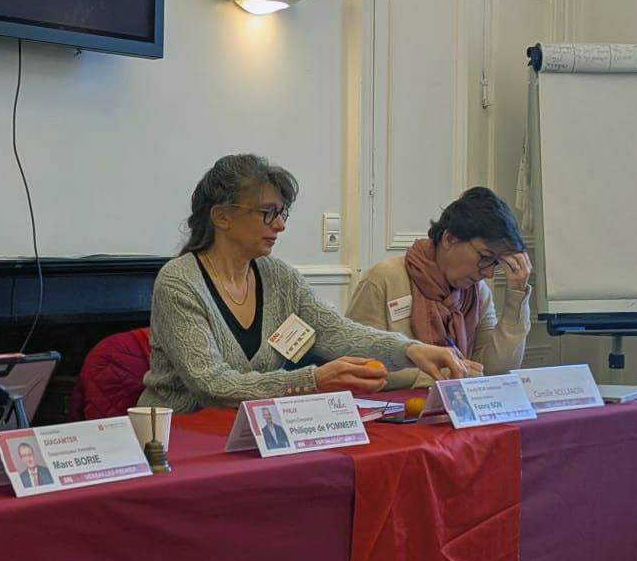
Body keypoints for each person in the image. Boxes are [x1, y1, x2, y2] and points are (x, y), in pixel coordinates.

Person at [138, 153, 477, 414]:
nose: (281, 225)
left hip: (253, 432)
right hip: (176, 440)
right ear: (222, 216)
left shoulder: (279, 277)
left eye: (283, 212)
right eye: (269, 213)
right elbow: (212, 386)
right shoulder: (179, 282)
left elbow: (336, 333)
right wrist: (313, 381)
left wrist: (411, 350)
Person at [346, 187, 532, 389]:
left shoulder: (477, 292)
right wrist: (444, 374)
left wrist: (517, 296)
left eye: (495, 263)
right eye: (485, 257)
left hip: (453, 412)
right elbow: (358, 365)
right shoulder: (385, 277)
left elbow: (494, 371)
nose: (488, 274)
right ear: (449, 238)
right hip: (392, 414)